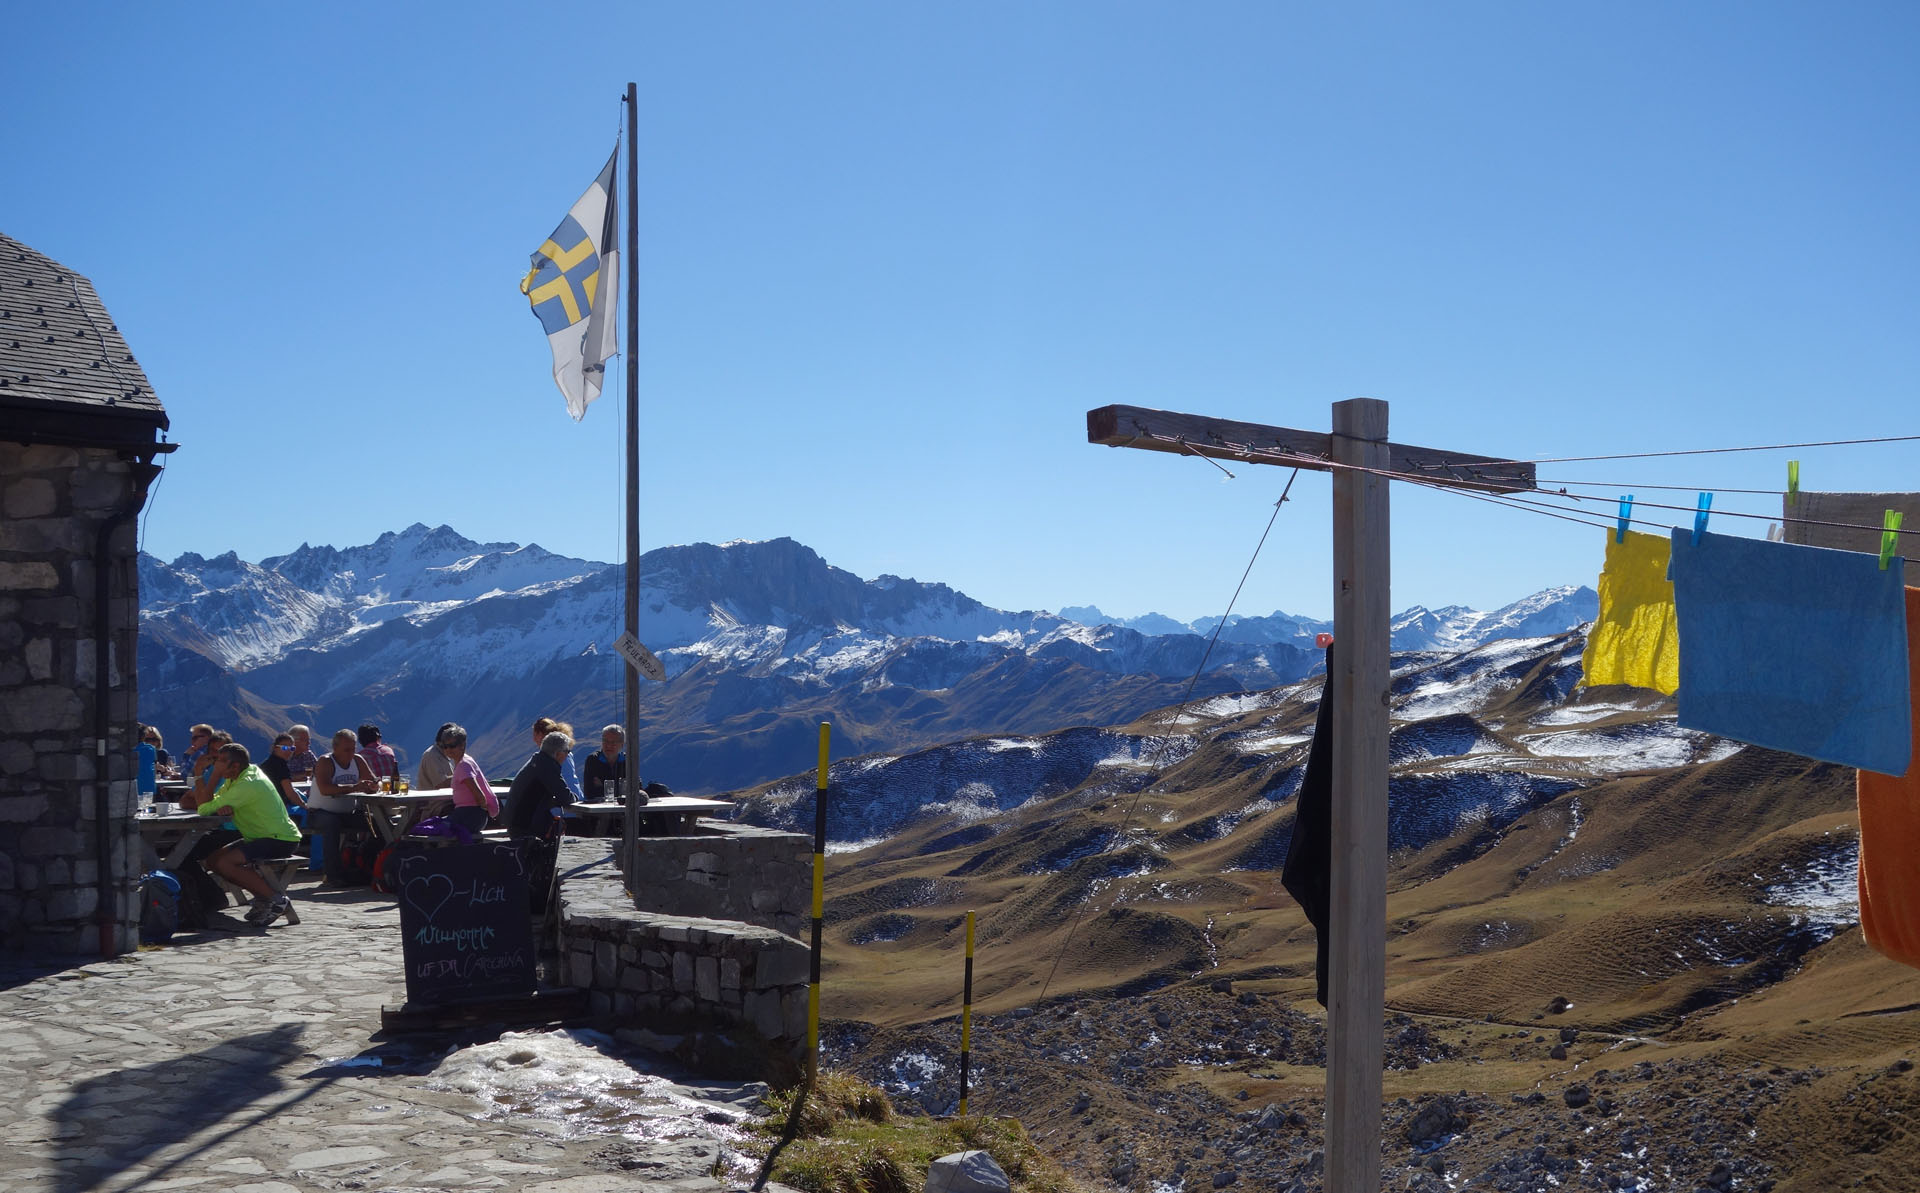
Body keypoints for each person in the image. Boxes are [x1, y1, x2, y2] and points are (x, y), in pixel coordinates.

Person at [181, 743, 303, 928]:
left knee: (225, 863)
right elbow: (208, 802)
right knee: (213, 860)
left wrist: (207, 774)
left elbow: (203, 809)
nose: (218, 764)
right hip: (260, 836)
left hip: (278, 838)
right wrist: (214, 795)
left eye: (222, 761)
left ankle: (277, 900)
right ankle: (264, 898)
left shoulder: (247, 784)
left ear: (235, 765)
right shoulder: (240, 776)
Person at [308, 728, 377, 886]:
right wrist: (354, 787)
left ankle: (371, 867)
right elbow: (325, 789)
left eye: (353, 749)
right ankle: (333, 875)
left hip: (347, 813)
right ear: (335, 748)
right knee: (332, 824)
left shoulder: (358, 760)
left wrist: (373, 786)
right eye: (346, 750)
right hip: (319, 813)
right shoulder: (325, 762)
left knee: (376, 823)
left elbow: (373, 780)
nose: (351, 753)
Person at [507, 731, 575, 838]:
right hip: (525, 827)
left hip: (517, 822)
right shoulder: (547, 767)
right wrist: (571, 797)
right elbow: (566, 797)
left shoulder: (539, 761)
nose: (568, 755)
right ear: (558, 753)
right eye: (567, 751)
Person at [440, 724, 498, 833]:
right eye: (445, 746)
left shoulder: (463, 765)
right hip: (472, 816)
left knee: (435, 827)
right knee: (437, 825)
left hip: (469, 815)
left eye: (452, 745)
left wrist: (481, 810)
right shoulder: (466, 760)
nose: (448, 749)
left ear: (462, 745)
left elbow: (479, 796)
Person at [532, 716, 584, 799]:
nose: (534, 739)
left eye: (535, 735)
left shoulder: (553, 757)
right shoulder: (565, 753)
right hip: (576, 797)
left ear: (542, 735)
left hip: (569, 803)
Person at [259, 732, 305, 808]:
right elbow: (290, 793)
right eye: (285, 748)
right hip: (275, 807)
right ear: (275, 748)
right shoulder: (281, 765)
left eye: (292, 748)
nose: (289, 751)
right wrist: (304, 805)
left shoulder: (266, 763)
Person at [581, 724, 626, 800]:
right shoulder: (593, 760)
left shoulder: (628, 761)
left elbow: (636, 788)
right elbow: (589, 792)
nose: (608, 745)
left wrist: (602, 786)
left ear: (622, 744)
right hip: (599, 808)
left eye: (613, 742)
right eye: (605, 741)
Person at [415, 722, 458, 790]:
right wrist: (462, 776)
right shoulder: (431, 755)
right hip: (432, 800)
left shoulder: (444, 754)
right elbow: (441, 784)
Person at [357, 723, 399, 790]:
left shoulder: (360, 757)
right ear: (378, 737)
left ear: (361, 741)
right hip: (391, 792)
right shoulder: (389, 750)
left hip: (373, 795)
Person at [136, 725, 158, 801]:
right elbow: (154, 769)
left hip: (135, 788)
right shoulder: (151, 748)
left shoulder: (129, 750)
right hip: (149, 787)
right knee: (147, 809)